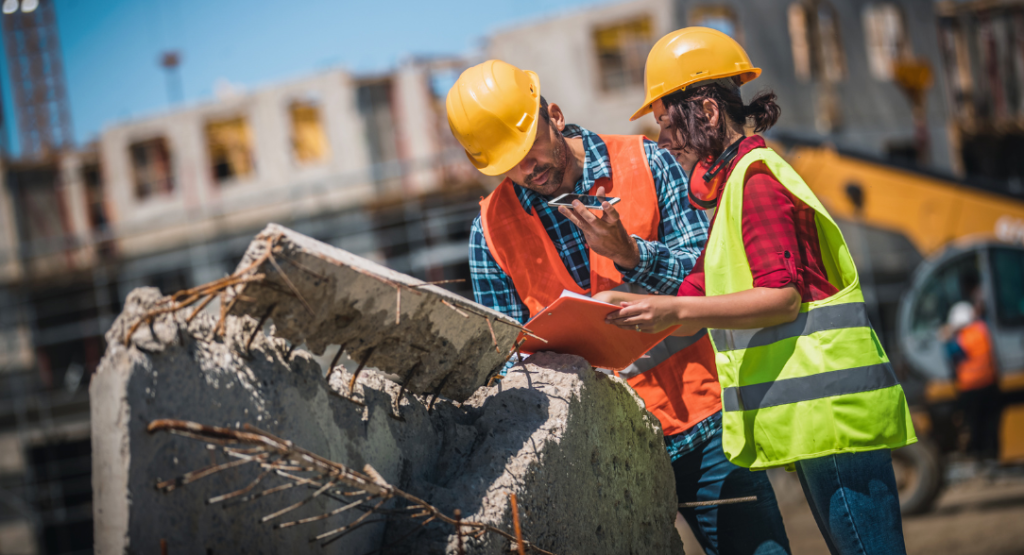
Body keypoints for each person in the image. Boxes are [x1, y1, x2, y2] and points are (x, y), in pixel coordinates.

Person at [446, 59, 791, 555]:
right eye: (507, 162)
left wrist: (630, 255)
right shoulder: (491, 231)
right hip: (600, 455)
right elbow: (506, 364)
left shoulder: (648, 162)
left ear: (556, 117)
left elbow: (713, 276)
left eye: (528, 148)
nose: (527, 168)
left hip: (703, 426)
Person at [600, 27, 917, 555]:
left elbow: (782, 298)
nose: (665, 140)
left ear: (704, 111)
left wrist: (673, 306)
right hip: (820, 422)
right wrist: (618, 302)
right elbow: (697, 291)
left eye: (667, 121)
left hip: (836, 419)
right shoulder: (733, 188)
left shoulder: (757, 181)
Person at [943, 300, 1001, 460]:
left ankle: (979, 456)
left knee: (975, 425)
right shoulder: (982, 329)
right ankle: (993, 455)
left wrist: (947, 338)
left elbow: (952, 355)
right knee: (991, 423)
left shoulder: (960, 338)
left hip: (970, 388)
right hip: (989, 383)